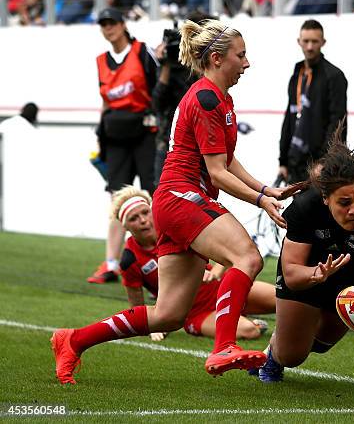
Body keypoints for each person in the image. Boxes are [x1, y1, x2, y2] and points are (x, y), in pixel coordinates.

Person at [52, 19, 291, 385]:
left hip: (174, 199)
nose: (247, 63)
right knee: (247, 257)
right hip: (182, 197)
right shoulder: (207, 98)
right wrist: (261, 200)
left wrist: (265, 190)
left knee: (167, 315)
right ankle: (224, 345)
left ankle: (73, 340)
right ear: (215, 58)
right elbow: (217, 174)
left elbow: (226, 160)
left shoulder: (217, 96)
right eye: (241, 55)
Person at [258, 128, 354, 382]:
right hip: (306, 272)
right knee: (292, 356)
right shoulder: (305, 207)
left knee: (324, 343)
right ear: (326, 198)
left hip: (349, 273)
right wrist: (315, 274)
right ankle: (274, 352)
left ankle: (293, 333)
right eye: (344, 202)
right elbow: (292, 273)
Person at [115, 185, 275, 342]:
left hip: (223, 288)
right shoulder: (130, 259)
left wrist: (215, 272)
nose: (143, 220)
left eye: (145, 212)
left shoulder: (174, 225)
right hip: (197, 313)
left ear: (152, 210)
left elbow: (228, 250)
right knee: (249, 331)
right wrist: (151, 327)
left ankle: (238, 312)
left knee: (283, 299)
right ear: (125, 226)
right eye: (133, 218)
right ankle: (246, 321)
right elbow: (136, 307)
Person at [88, 7, 159, 285]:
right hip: (115, 136)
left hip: (144, 133)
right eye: (103, 24)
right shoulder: (101, 61)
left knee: (155, 195)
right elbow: (105, 101)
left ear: (122, 24)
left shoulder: (142, 52)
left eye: (112, 23)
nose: (109, 28)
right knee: (117, 200)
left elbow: (158, 90)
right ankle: (111, 263)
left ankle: (167, 255)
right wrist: (99, 132)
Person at [279, 19, 348, 185]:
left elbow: (338, 123)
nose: (310, 46)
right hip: (295, 163)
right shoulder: (296, 75)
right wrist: (283, 161)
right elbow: (290, 117)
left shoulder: (334, 76)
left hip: (320, 166)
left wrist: (325, 162)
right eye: (306, 41)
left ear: (323, 43)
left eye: (314, 41)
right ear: (299, 42)